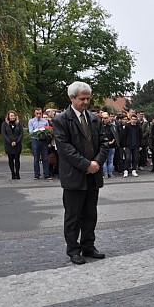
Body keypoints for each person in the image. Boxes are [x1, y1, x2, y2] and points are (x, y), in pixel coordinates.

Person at [52, 81, 108, 265]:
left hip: (93, 175)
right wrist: (86, 165)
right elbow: (65, 148)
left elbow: (104, 143)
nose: (85, 102)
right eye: (82, 98)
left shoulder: (94, 119)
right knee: (73, 215)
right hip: (74, 176)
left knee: (90, 214)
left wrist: (97, 163)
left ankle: (88, 246)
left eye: (88, 98)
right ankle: (73, 249)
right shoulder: (61, 120)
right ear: (72, 98)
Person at [28, 107, 52, 180]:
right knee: (36, 159)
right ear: (34, 113)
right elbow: (31, 132)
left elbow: (48, 130)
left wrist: (44, 133)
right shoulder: (31, 121)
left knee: (45, 158)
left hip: (43, 140)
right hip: (35, 140)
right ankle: (37, 174)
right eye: (37, 113)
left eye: (40, 113)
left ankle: (46, 174)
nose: (38, 115)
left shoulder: (45, 121)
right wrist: (38, 132)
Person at [2, 110, 23, 179]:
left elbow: (21, 134)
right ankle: (12, 173)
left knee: (17, 159)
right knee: (10, 159)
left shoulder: (19, 124)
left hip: (17, 144)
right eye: (11, 116)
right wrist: (10, 142)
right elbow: (4, 134)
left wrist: (16, 142)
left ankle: (17, 173)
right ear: (8, 117)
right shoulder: (4, 124)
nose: (13, 117)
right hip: (9, 144)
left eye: (14, 116)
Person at [101, 112, 118, 178]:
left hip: (112, 146)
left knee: (111, 160)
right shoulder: (101, 127)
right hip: (104, 146)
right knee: (104, 160)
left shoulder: (112, 126)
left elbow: (115, 135)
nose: (106, 119)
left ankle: (110, 172)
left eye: (107, 118)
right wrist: (107, 142)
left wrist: (114, 140)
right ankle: (105, 173)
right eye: (104, 118)